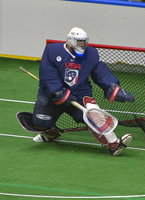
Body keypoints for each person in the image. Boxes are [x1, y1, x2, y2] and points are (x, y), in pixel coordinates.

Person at [16, 27, 135, 156]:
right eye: (79, 42)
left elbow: (101, 74)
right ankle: (50, 132)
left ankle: (113, 143)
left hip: (79, 94)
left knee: (94, 115)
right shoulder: (52, 51)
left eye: (84, 42)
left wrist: (113, 88)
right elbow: (47, 76)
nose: (82, 45)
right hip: (53, 95)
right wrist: (58, 91)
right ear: (70, 40)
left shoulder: (92, 54)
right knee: (39, 124)